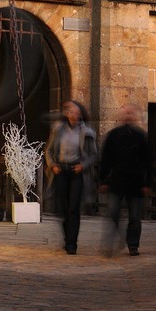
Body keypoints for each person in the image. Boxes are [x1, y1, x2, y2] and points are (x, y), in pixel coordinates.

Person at [99, 104, 153, 257]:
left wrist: (148, 183)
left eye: (131, 113)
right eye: (126, 113)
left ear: (135, 117)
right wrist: (103, 180)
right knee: (113, 213)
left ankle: (133, 245)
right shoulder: (113, 136)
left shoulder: (141, 137)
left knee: (135, 216)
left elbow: (148, 162)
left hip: (136, 183)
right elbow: (106, 159)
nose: (128, 116)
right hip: (117, 181)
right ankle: (115, 239)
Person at [45, 99, 98, 255]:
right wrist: (52, 165)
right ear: (67, 114)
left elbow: (94, 154)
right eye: (70, 112)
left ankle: (71, 244)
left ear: (80, 114)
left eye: (76, 112)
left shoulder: (87, 132)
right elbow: (48, 150)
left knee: (73, 208)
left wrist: (83, 165)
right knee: (63, 208)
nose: (73, 115)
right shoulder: (58, 129)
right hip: (61, 171)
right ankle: (68, 237)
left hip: (76, 171)